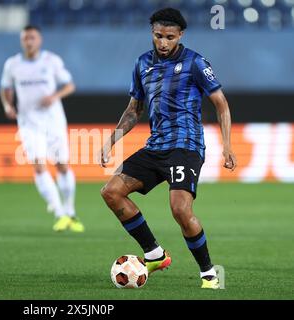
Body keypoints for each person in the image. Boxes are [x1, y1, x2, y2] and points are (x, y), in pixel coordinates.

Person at [99, 8, 237, 289]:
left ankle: (208, 273)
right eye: (158, 36)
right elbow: (133, 110)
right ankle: (154, 254)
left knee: (179, 209)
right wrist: (111, 140)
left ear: (180, 36)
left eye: (170, 37)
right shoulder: (142, 64)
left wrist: (227, 146)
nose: (163, 43)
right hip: (156, 146)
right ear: (153, 33)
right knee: (111, 192)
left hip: (186, 146)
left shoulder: (195, 62)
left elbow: (221, 103)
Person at [0, 25, 85, 232]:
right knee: (38, 165)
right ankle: (59, 213)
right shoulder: (13, 64)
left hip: (53, 121)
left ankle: (70, 211)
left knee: (62, 165)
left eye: (32, 37)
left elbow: (69, 85)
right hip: (28, 123)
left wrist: (54, 97)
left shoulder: (51, 61)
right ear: (22, 41)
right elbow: (5, 88)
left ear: (40, 40)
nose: (29, 41)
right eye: (25, 38)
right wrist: (8, 105)